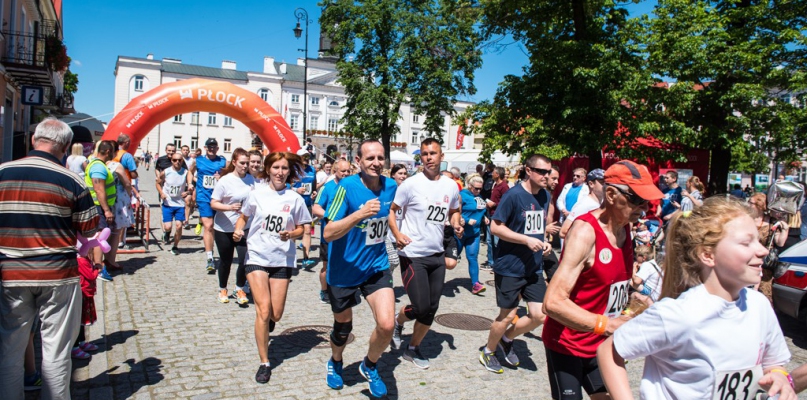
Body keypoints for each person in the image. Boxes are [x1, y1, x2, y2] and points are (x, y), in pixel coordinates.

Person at [597, 197, 796, 400]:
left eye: (759, 241)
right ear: (708, 255)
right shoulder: (680, 314)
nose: (763, 251)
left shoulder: (759, 305)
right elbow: (609, 350)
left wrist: (779, 377)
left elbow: (773, 363)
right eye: (746, 243)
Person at [542, 160, 663, 400]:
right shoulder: (585, 231)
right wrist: (606, 325)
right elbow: (553, 302)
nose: (644, 208)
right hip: (569, 344)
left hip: (603, 345)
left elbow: (612, 285)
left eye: (647, 202)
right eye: (637, 200)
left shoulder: (625, 229)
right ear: (610, 194)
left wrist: (635, 301)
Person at [0, 117, 99, 400]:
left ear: (34, 140)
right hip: (58, 274)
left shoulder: (3, 172)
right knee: (55, 352)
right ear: (66, 147)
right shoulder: (71, 180)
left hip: (11, 273)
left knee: (9, 349)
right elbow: (89, 229)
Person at [322, 140, 397, 398]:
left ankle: (370, 365)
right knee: (343, 329)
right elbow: (328, 232)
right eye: (370, 158)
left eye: (380, 158)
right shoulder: (346, 187)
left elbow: (388, 214)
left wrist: (397, 232)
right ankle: (335, 361)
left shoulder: (391, 186)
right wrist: (359, 215)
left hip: (376, 266)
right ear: (358, 161)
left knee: (387, 325)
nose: (376, 163)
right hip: (344, 270)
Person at [232, 151, 310, 383]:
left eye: (284, 168)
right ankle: (264, 362)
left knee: (276, 313)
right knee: (263, 310)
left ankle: (269, 323)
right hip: (257, 255)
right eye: (276, 168)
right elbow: (244, 217)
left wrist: (291, 234)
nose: (280, 172)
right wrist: (238, 229)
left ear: (289, 172)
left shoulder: (295, 198)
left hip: (282, 259)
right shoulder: (256, 194)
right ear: (268, 169)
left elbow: (302, 228)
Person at [389, 138, 462, 369]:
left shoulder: (450, 186)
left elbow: (454, 209)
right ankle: (398, 321)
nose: (429, 158)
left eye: (433, 153)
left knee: (432, 308)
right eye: (424, 154)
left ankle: (413, 348)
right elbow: (392, 212)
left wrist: (456, 222)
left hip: (436, 254)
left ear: (442, 156)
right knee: (420, 307)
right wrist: (397, 234)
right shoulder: (410, 184)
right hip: (413, 254)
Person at [479, 155, 553, 374]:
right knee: (508, 315)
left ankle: (507, 338)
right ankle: (488, 350)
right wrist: (526, 239)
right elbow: (496, 228)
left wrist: (544, 242)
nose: (546, 176)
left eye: (548, 172)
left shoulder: (545, 196)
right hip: (510, 265)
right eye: (542, 172)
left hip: (533, 266)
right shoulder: (513, 196)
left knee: (540, 315)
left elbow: (537, 227)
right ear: (529, 171)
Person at [210, 149, 255, 304]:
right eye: (242, 163)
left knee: (244, 259)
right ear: (234, 162)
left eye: (247, 163)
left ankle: (239, 288)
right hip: (224, 227)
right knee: (226, 261)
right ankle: (222, 288)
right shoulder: (225, 181)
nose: (245, 166)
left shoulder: (252, 180)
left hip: (244, 226)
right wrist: (229, 207)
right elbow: (213, 203)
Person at [312, 160, 351, 304]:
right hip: (329, 235)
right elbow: (316, 208)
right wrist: (331, 216)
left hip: (348, 234)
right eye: (343, 171)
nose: (346, 174)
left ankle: (343, 290)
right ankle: (324, 290)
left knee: (346, 263)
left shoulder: (352, 186)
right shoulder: (327, 188)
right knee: (327, 266)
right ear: (335, 171)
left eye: (348, 171)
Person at [190, 138, 227, 272]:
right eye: (209, 147)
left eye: (214, 147)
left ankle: (223, 253)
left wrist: (221, 178)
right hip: (203, 197)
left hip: (218, 198)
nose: (211, 149)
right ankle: (210, 257)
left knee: (219, 227)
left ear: (217, 148)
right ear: (205, 148)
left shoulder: (222, 161)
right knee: (209, 226)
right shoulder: (198, 160)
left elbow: (228, 174)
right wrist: (190, 183)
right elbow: (190, 172)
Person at [85, 141, 118, 282]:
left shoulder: (95, 163)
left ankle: (94, 265)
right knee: (100, 238)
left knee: (97, 236)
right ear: (108, 152)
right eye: (114, 152)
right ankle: (98, 268)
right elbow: (99, 189)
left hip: (98, 206)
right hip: (99, 207)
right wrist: (106, 210)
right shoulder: (98, 166)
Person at [749, 193, 788, 303]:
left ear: (759, 205)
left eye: (751, 202)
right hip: (747, 260)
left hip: (764, 264)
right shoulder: (745, 219)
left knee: (764, 295)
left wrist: (785, 229)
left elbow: (780, 243)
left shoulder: (771, 222)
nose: (748, 204)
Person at [156, 151, 193, 255]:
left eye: (179, 160)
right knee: (167, 226)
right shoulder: (166, 172)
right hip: (168, 203)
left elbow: (190, 185)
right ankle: (167, 233)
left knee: (179, 226)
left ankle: (175, 246)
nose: (177, 162)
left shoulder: (185, 172)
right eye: (174, 160)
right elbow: (158, 183)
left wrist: (188, 190)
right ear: (171, 161)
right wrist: (161, 193)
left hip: (179, 204)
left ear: (182, 161)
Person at [457, 174, 488, 295]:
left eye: (481, 188)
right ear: (470, 186)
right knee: (451, 261)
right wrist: (465, 219)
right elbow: (454, 212)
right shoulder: (462, 195)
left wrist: (484, 217)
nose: (479, 191)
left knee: (473, 258)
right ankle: (434, 280)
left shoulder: (479, 196)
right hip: (460, 233)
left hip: (474, 234)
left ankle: (475, 284)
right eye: (476, 188)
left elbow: (479, 210)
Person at [559, 169, 606, 239]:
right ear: (591, 184)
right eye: (602, 182)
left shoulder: (603, 203)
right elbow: (563, 232)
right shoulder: (584, 205)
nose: (605, 185)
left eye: (607, 182)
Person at [293, 149, 318, 269]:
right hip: (294, 203)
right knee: (293, 231)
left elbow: (314, 186)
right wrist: (295, 190)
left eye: (307, 156)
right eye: (303, 156)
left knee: (307, 230)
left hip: (307, 203)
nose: (306, 158)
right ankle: (291, 258)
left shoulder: (312, 169)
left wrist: (314, 193)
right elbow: (285, 185)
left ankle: (306, 258)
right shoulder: (292, 169)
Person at [385, 164, 409, 275]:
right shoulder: (388, 191)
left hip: (400, 234)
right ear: (393, 175)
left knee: (392, 263)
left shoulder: (408, 191)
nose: (403, 176)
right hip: (386, 234)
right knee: (393, 260)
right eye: (400, 173)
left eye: (405, 173)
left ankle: (385, 285)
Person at [484, 166, 510, 270]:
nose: (492, 174)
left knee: (497, 241)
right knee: (490, 241)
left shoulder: (504, 186)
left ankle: (499, 262)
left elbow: (506, 202)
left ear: (498, 174)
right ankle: (491, 262)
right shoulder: (495, 185)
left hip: (498, 216)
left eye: (494, 173)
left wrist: (494, 204)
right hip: (491, 214)